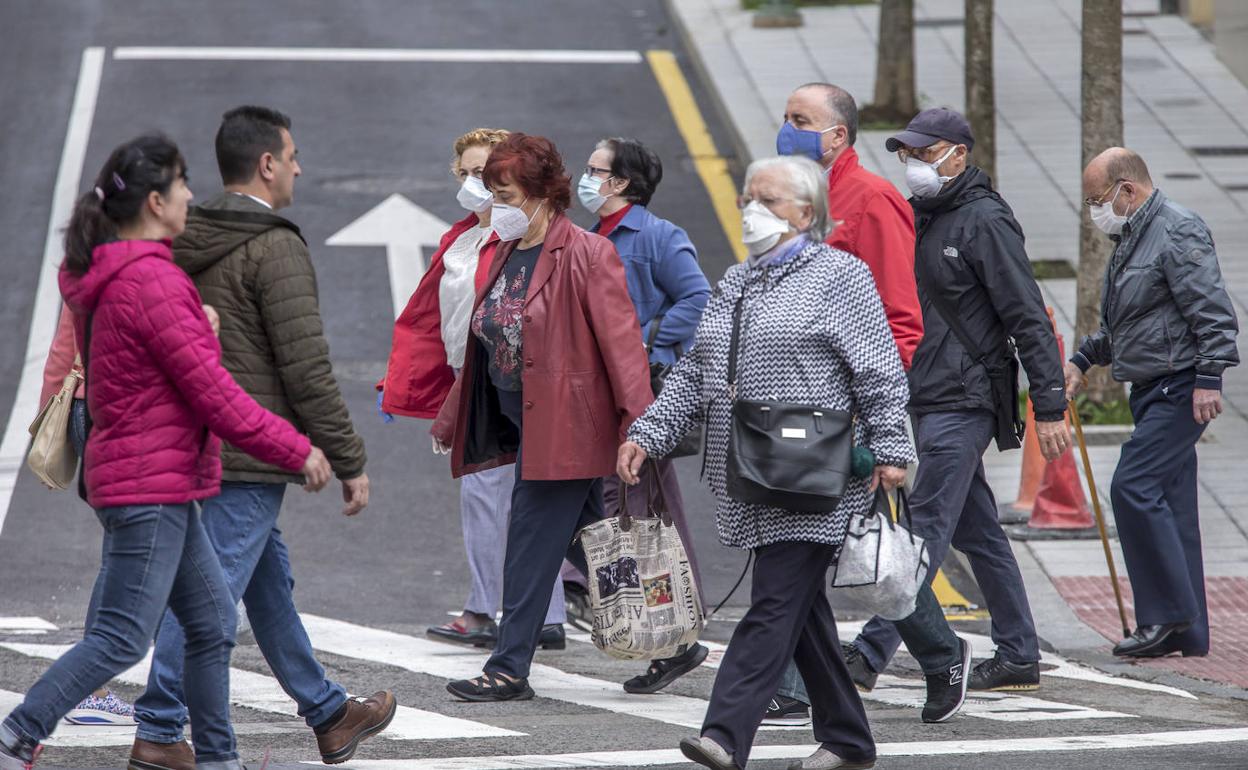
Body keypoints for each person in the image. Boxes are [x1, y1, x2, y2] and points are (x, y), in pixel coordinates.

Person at [0, 133, 333, 770]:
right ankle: (18, 734)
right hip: (148, 487)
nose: (189, 195)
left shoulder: (118, 271)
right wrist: (298, 450)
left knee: (211, 623)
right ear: (155, 201)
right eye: (181, 185)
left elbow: (148, 358)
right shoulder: (153, 281)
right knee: (122, 636)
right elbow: (216, 396)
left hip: (159, 480)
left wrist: (194, 326)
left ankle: (218, 759)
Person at [619, 154, 915, 770]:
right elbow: (698, 370)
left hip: (814, 474)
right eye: (748, 198)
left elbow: (879, 372)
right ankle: (850, 740)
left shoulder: (842, 278)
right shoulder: (737, 280)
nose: (752, 209)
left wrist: (891, 448)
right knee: (800, 611)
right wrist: (648, 432)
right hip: (752, 473)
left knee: (774, 603)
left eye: (768, 200)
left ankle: (725, 735)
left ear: (806, 213)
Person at [131, 107, 395, 770]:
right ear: (268, 164)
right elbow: (304, 365)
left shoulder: (187, 235)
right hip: (248, 454)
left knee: (267, 585)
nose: (301, 167)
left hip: (195, 439)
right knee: (208, 603)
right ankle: (161, 728)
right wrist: (348, 459)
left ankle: (329, 713)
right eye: (293, 154)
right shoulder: (274, 244)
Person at [855, 108, 1070, 696]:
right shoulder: (922, 218)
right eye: (907, 155)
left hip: (967, 396)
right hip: (929, 392)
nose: (914, 165)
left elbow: (1027, 314)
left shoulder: (985, 220)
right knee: (979, 530)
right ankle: (1020, 652)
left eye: (925, 154)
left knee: (925, 524)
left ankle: (869, 653)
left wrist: (1049, 404)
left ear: (958, 154)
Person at [773, 82, 969, 727]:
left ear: (838, 135)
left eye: (801, 120)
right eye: (785, 117)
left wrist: (871, 418)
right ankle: (937, 656)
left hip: (843, 409)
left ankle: (811, 686)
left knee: (826, 544)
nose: (787, 127)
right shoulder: (794, 199)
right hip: (792, 405)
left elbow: (900, 320)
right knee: (816, 543)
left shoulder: (873, 199)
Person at [432, 133, 653, 702]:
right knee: (590, 541)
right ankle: (676, 646)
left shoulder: (586, 253)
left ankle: (509, 668)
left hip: (568, 429)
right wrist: (454, 413)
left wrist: (641, 428)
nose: (495, 203)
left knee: (529, 542)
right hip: (521, 419)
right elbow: (488, 339)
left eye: (504, 192)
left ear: (539, 195)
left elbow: (623, 347)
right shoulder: (506, 249)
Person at [378, 128, 569, 650]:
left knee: (495, 496)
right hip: (473, 377)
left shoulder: (522, 238)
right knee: (519, 499)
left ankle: (489, 610)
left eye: (483, 172)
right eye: (463, 172)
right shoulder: (462, 237)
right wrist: (399, 383)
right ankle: (540, 614)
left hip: (509, 379)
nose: (473, 182)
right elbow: (428, 318)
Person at [1066, 147, 1239, 658]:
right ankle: (1188, 632)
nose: (1095, 209)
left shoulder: (1177, 229)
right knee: (1174, 503)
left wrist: (1210, 377)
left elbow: (1213, 313)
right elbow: (1130, 321)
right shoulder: (1134, 235)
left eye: (1098, 199)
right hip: (1152, 386)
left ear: (1128, 189)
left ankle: (1164, 617)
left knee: (1132, 486)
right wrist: (1081, 359)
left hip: (1179, 387)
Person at [573, 136, 712, 693]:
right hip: (590, 396)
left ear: (620, 182)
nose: (584, 177)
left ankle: (678, 636)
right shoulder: (587, 237)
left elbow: (698, 298)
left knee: (647, 512)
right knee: (605, 506)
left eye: (593, 169)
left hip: (638, 397)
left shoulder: (657, 237)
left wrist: (647, 345)